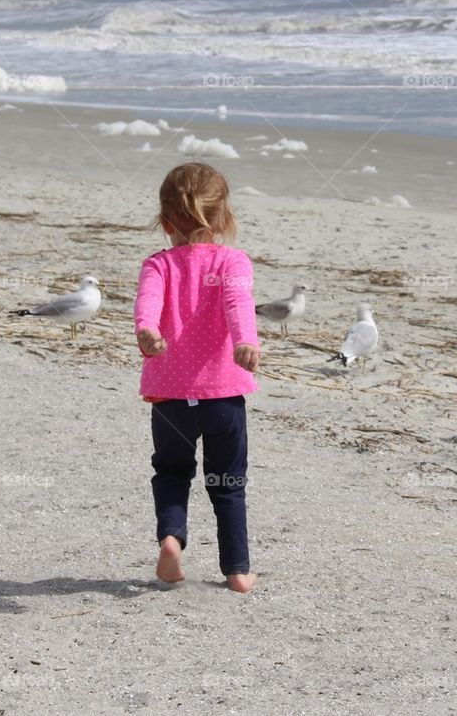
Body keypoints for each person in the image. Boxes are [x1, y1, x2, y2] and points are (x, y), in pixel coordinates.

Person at [134, 162, 261, 593]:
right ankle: (238, 571)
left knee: (171, 472)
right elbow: (238, 304)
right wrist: (246, 343)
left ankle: (171, 540)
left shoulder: (158, 265)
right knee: (228, 483)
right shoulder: (233, 262)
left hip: (171, 397)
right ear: (224, 217)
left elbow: (147, 306)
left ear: (165, 220)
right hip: (223, 395)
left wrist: (148, 331)